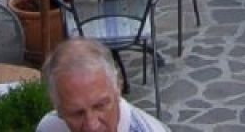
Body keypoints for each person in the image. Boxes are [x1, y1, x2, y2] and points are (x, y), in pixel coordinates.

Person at [35, 37, 169, 132]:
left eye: (100, 106)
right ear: (58, 109)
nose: (92, 126)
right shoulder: (49, 128)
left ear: (118, 87)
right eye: (77, 113)